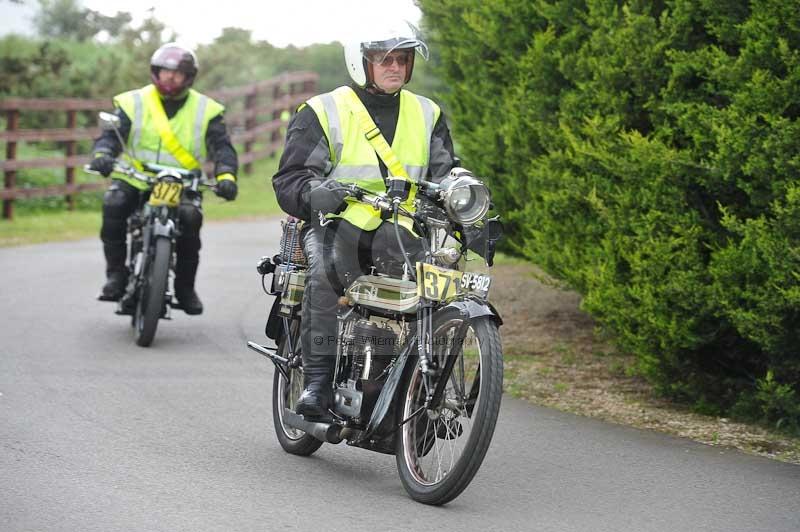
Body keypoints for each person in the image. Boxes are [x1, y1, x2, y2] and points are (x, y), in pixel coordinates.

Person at [272, 20, 458, 419]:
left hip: (403, 229)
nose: (395, 67)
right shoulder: (324, 110)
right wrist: (315, 193)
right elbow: (290, 178)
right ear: (361, 63)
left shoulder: (427, 113)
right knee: (325, 275)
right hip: (338, 224)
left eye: (402, 59)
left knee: (440, 290)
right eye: (384, 59)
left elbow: (446, 175)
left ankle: (424, 391)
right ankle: (317, 384)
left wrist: (467, 201)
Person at [89, 42, 239, 315]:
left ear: (188, 76)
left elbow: (222, 147)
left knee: (191, 219)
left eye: (177, 72)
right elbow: (110, 136)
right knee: (114, 202)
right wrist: (102, 154)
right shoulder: (132, 101)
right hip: (137, 177)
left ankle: (185, 288)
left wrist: (226, 176)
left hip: (181, 182)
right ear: (155, 72)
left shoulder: (207, 109)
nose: (170, 77)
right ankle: (115, 276)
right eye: (164, 71)